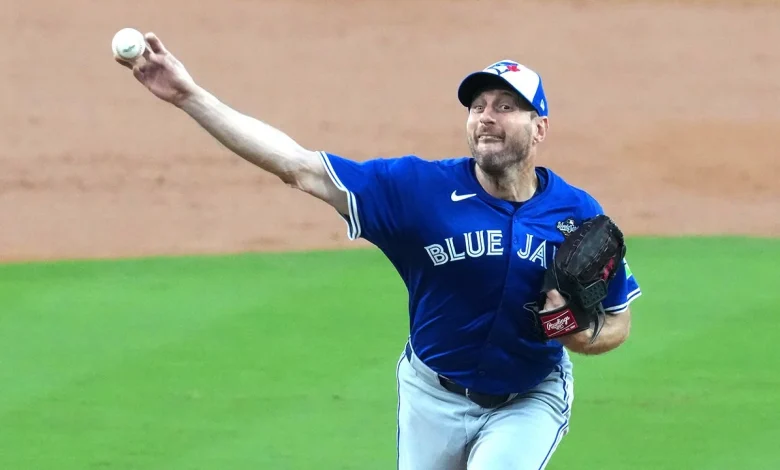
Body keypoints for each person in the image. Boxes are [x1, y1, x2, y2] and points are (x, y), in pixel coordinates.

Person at [115, 32, 642, 470]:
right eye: (478, 105)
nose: (487, 116)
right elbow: (298, 166)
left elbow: (618, 319)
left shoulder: (578, 215)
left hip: (529, 398)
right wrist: (189, 96)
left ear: (540, 128)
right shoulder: (418, 191)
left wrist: (578, 331)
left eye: (507, 107)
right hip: (430, 396)